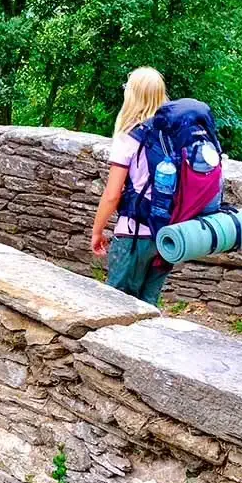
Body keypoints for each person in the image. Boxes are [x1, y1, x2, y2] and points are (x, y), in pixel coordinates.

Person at [90, 67, 171, 305]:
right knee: (148, 306)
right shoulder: (173, 134)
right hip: (167, 236)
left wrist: (97, 231)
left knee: (116, 305)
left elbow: (112, 194)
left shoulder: (130, 136)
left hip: (134, 234)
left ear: (133, 96)